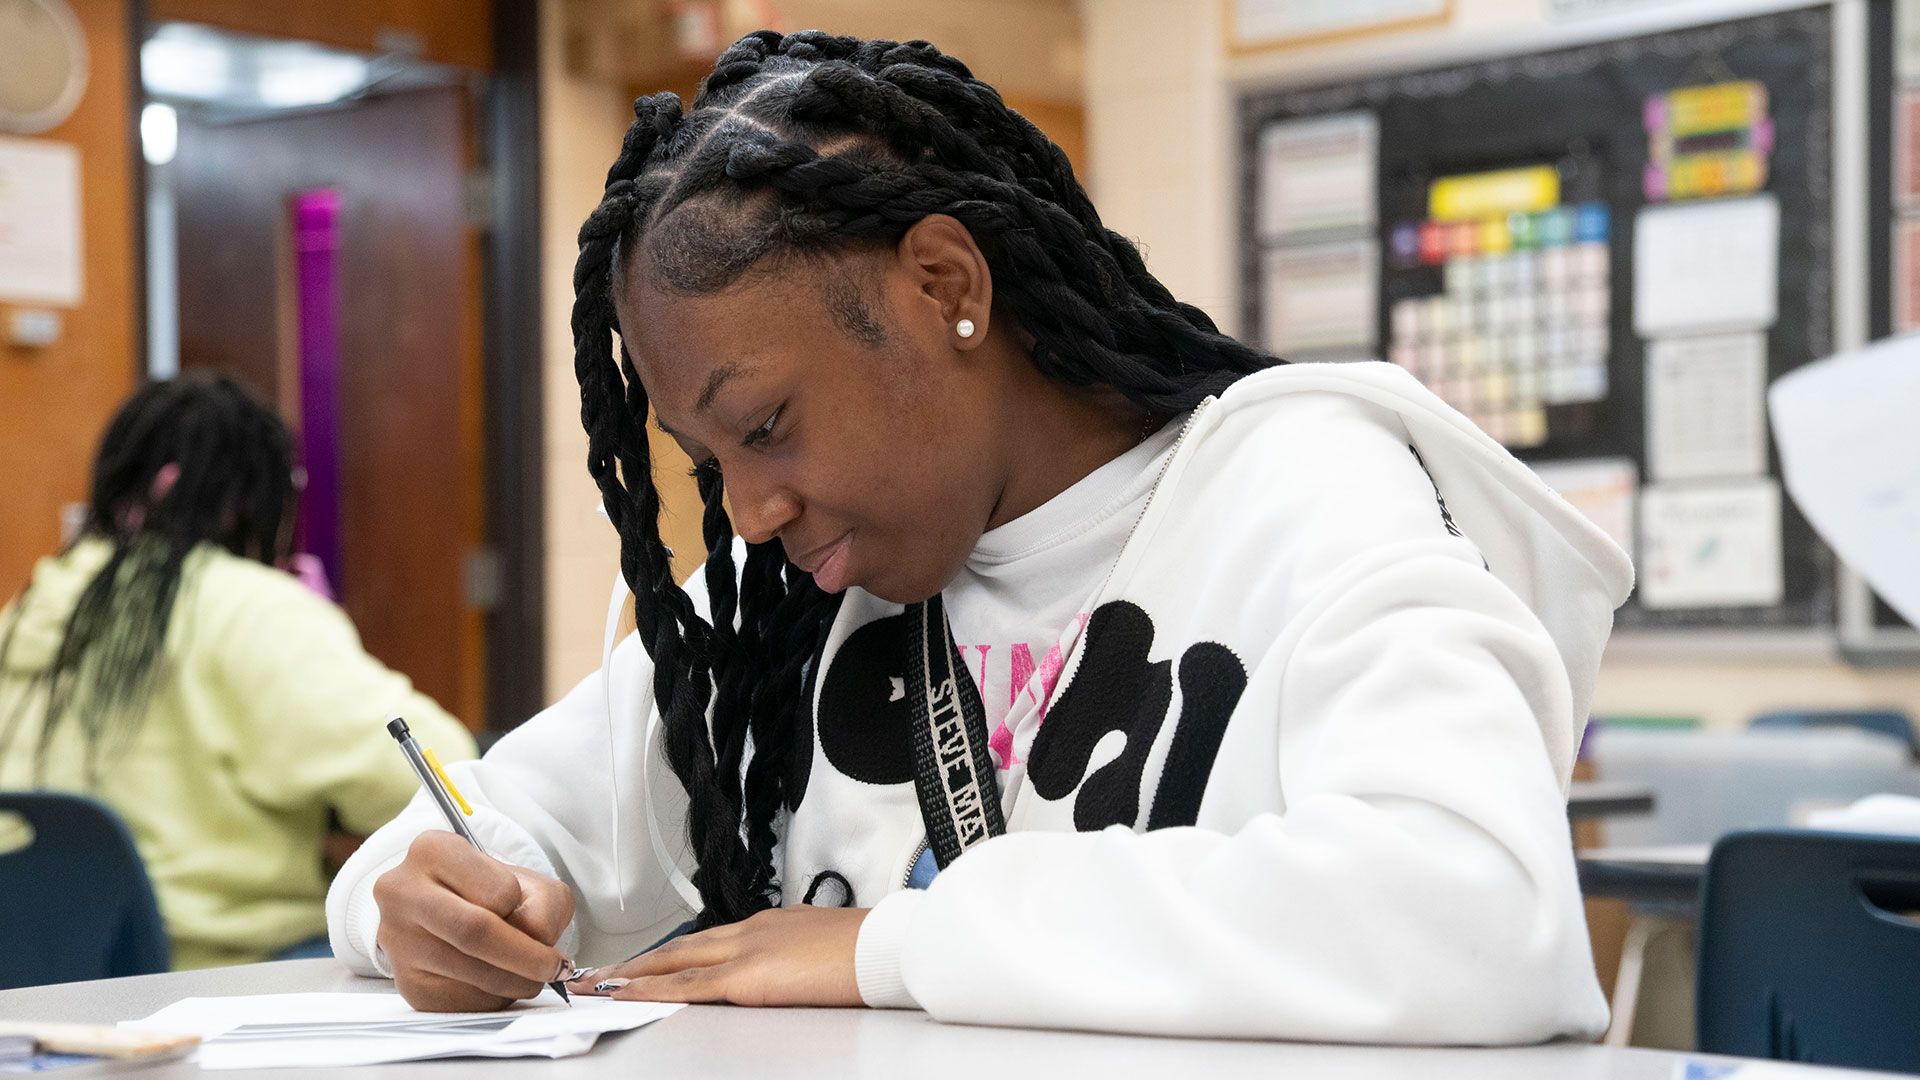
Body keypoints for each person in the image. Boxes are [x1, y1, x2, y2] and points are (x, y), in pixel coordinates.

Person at [329, 31, 1631, 1042]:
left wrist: (893, 947)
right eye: (707, 463)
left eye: (770, 424)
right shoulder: (780, 602)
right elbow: (479, 833)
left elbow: (1483, 915)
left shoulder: (1301, 488)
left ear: (945, 285)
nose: (748, 511)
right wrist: (431, 904)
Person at [0, 373, 475, 970]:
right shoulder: (248, 606)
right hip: (213, 970)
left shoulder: (33, 605)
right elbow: (445, 775)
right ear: (244, 503)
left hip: (37, 975)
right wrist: (310, 622)